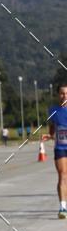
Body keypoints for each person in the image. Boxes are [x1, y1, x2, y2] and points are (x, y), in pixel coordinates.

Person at [48, 82, 67, 219]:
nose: (64, 96)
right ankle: (62, 207)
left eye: (66, 93)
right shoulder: (53, 110)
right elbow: (52, 128)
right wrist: (50, 135)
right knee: (62, 175)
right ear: (58, 95)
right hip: (60, 147)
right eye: (62, 93)